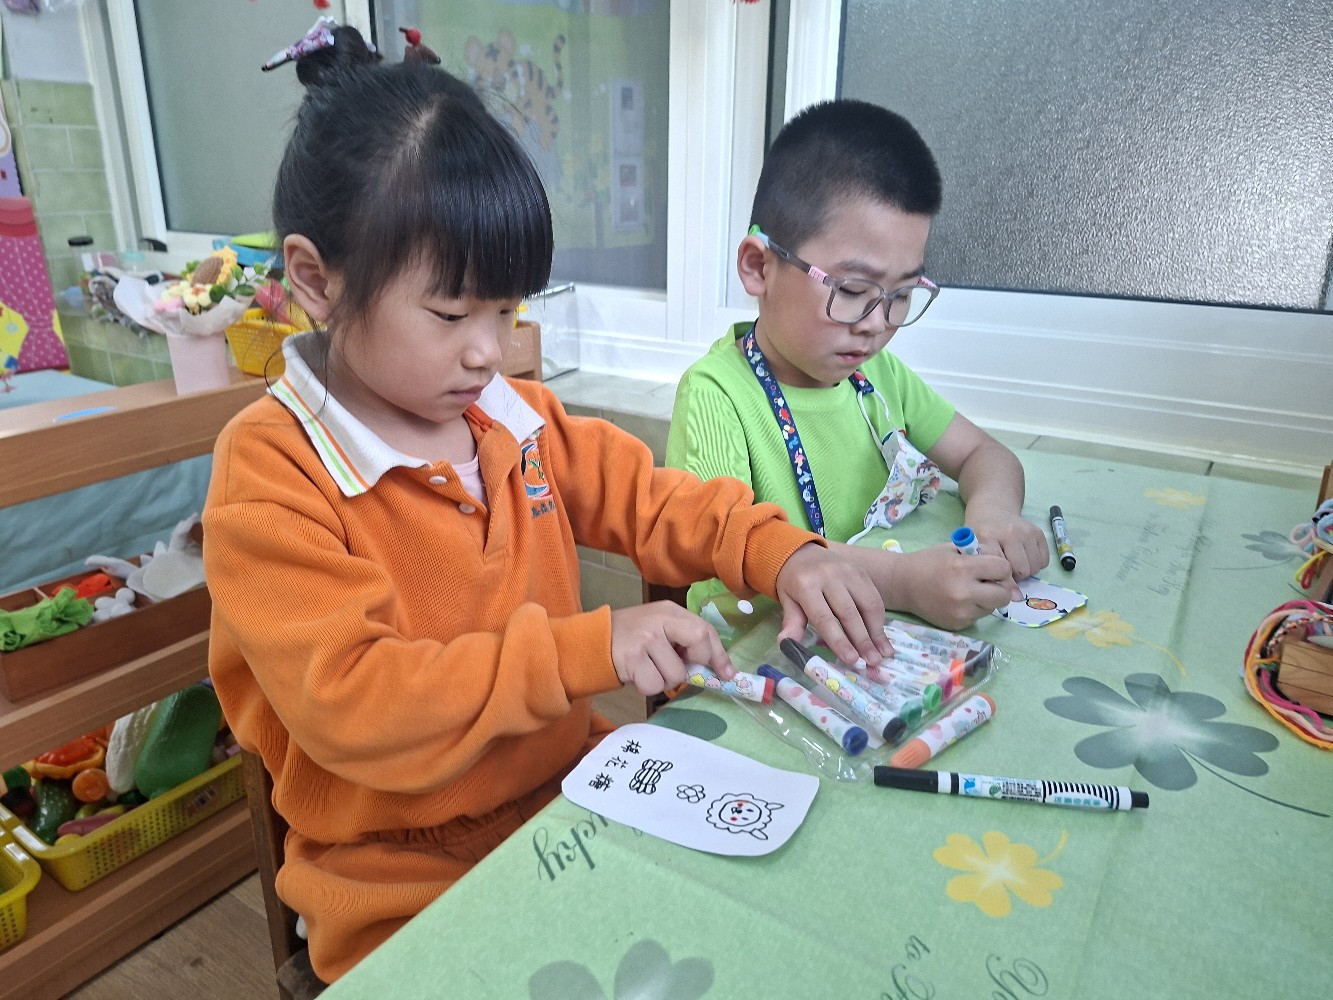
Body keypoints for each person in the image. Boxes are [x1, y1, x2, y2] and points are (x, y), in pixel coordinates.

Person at [202, 60, 893, 985]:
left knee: (769, 926)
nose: (488, 350)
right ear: (316, 281)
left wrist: (780, 552)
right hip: (396, 873)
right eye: (451, 312)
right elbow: (355, 702)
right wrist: (586, 649)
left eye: (506, 310)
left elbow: (654, 498)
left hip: (573, 794)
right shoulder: (271, 470)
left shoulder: (513, 417)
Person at [666, 99, 1049, 631]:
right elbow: (738, 547)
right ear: (759, 267)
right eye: (850, 290)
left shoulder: (877, 375)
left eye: (902, 294)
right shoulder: (716, 396)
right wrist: (905, 582)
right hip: (758, 645)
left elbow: (984, 454)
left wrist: (994, 514)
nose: (876, 323)